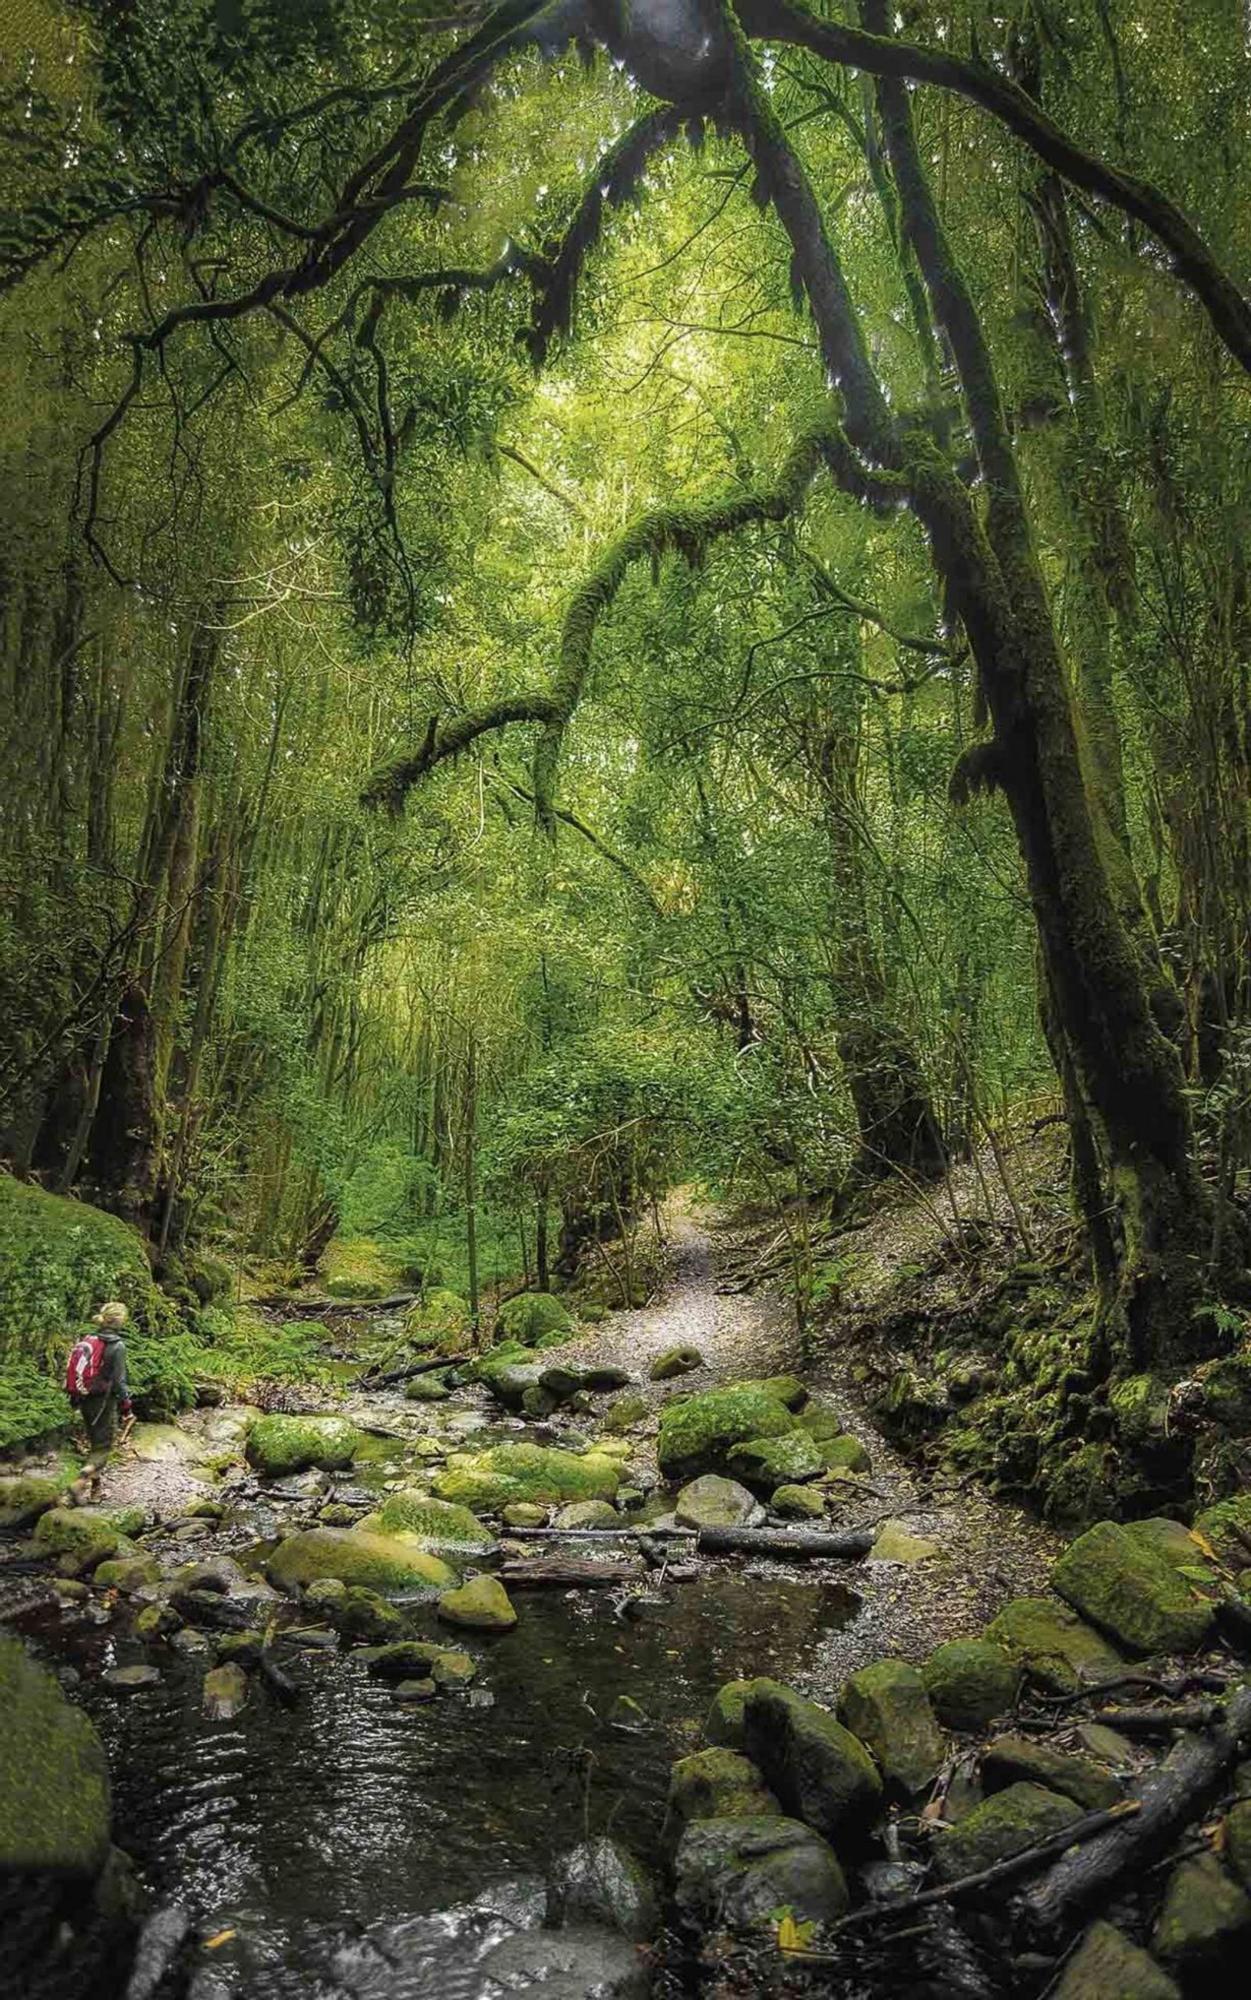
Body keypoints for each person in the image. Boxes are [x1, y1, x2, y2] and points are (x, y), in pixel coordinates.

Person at [66, 1301, 133, 1468]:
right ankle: (82, 1481)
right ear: (119, 1321)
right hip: (103, 1401)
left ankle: (96, 1487)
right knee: (103, 1445)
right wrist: (127, 1409)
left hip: (83, 1397)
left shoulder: (89, 1339)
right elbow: (119, 1382)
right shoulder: (118, 1346)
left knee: (94, 1440)